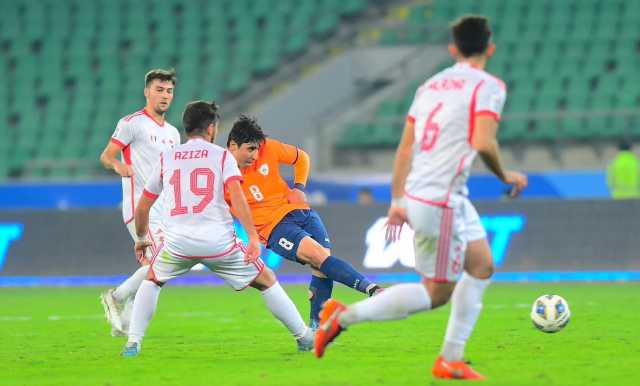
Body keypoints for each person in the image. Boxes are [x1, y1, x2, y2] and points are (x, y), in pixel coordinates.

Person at [314, 15, 528, 381]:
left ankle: (451, 357)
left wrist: (398, 198)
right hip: (440, 199)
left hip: (431, 193)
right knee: (436, 293)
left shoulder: (430, 86)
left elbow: (405, 147)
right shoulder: (488, 86)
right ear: (489, 47)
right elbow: (482, 141)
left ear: (452, 48)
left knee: (482, 266)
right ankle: (344, 316)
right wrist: (505, 175)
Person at [121, 101, 313, 356]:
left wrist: (141, 238)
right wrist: (253, 237)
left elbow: (143, 207)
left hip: (178, 242)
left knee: (152, 280)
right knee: (266, 280)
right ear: (211, 128)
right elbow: (238, 197)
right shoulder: (221, 156)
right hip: (218, 243)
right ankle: (303, 337)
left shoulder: (167, 157)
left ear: (186, 126)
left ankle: (133, 343)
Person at [225, 116, 383, 329]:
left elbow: (302, 158)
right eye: (249, 149)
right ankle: (373, 290)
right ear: (233, 145)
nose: (254, 155)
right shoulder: (222, 174)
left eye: (256, 149)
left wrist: (299, 187)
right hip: (275, 228)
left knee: (323, 269)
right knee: (320, 257)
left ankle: (316, 332)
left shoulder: (269, 148)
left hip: (301, 212)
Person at [99, 69, 181, 336]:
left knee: (157, 271)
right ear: (147, 92)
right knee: (161, 264)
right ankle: (117, 297)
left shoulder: (173, 133)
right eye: (159, 89)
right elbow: (107, 156)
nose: (164, 95)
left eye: (169, 91)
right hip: (140, 208)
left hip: (165, 210)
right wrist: (119, 166)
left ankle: (125, 321)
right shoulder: (131, 123)